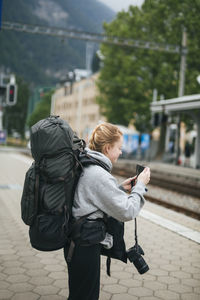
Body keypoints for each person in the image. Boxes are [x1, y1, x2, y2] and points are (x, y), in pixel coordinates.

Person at [64, 122, 150, 300]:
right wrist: (140, 186)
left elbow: (92, 198)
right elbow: (127, 211)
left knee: (79, 294)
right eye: (119, 148)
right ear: (108, 147)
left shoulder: (87, 164)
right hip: (85, 247)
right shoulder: (99, 174)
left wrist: (118, 189)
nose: (121, 152)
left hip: (77, 243)